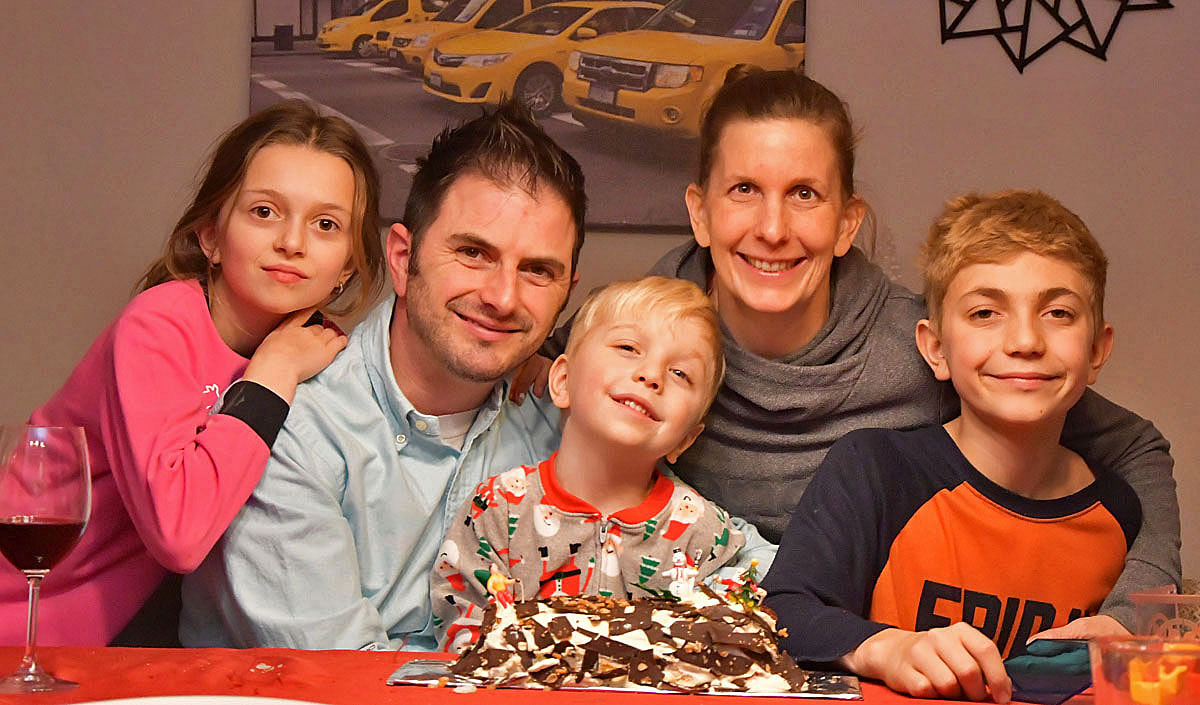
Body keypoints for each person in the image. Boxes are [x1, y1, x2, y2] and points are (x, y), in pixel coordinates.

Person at [530, 68, 1178, 633]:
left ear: (847, 222)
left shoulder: (924, 345)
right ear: (700, 213)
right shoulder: (636, 334)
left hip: (849, 650)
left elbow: (1134, 448)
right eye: (744, 190)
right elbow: (524, 366)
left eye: (805, 194)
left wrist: (1132, 613)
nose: (773, 229)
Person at [179, 99, 587, 650]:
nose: (503, 297)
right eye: (473, 252)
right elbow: (340, 675)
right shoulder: (289, 427)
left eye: (538, 270)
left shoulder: (565, 428)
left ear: (567, 290)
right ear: (401, 258)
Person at [0, 100, 386, 647]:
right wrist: (270, 373)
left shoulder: (317, 348)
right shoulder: (157, 326)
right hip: (27, 611)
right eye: (264, 212)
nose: (292, 243)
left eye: (326, 224)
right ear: (210, 236)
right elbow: (178, 535)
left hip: (147, 635)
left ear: (347, 264)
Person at [762, 189, 1143, 702]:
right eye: (985, 313)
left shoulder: (1120, 513)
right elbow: (783, 610)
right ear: (936, 349)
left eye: (1057, 313)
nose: (1025, 341)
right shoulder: (877, 470)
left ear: (1097, 350)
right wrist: (887, 649)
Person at [431, 277, 748, 652]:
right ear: (563, 381)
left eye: (680, 373)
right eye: (628, 347)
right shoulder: (497, 509)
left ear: (686, 439)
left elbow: (727, 639)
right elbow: (464, 624)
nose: (651, 376)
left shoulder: (702, 532)